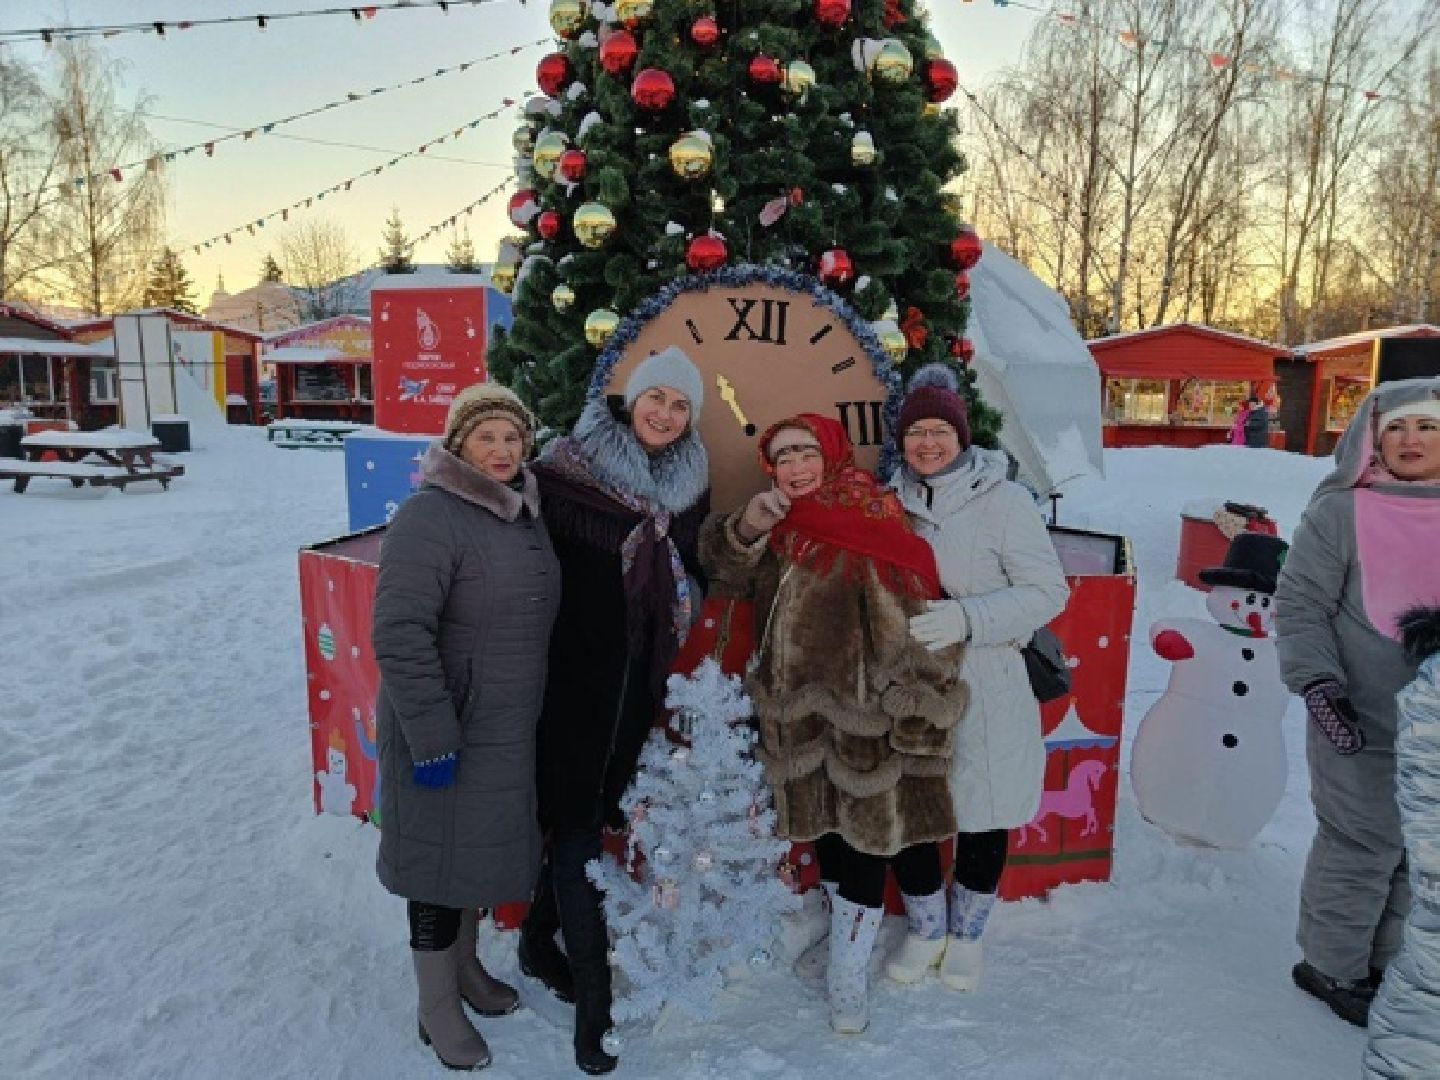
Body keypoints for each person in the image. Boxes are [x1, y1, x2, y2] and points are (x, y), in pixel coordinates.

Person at [700, 412, 965, 1035]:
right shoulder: (782, 524)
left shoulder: (869, 519)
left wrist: (913, 699)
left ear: (834, 455)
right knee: (822, 833)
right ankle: (859, 938)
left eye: (806, 453)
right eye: (783, 455)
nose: (795, 466)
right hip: (795, 715)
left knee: (866, 839)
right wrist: (747, 528)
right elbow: (728, 578)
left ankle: (849, 976)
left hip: (862, 716)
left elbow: (910, 616)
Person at [516, 347, 710, 1075]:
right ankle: (594, 1009)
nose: (664, 413)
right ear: (629, 399)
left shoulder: (686, 492)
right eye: (655, 398)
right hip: (567, 685)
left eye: (681, 405)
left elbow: (696, 573)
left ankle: (538, 942)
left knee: (595, 812)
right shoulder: (563, 476)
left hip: (634, 684)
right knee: (573, 831)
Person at [372, 383, 561, 1072]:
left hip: (505, 729)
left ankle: (468, 972)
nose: (502, 450)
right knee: (435, 865)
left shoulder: (522, 513)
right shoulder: (431, 516)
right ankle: (436, 1006)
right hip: (445, 728)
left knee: (472, 859)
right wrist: (432, 735)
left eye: (512, 438)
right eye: (487, 438)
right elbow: (398, 632)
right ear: (459, 445)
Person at [883, 364, 1070, 992]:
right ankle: (926, 928)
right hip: (909, 682)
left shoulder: (1005, 501)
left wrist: (969, 617)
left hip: (987, 677)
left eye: (939, 431)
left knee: (984, 810)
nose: (927, 444)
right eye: (915, 434)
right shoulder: (890, 501)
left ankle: (966, 936)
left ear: (962, 438)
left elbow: (1049, 591)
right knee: (909, 807)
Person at [1276, 376, 1440, 1027]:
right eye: (1395, 427)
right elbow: (1302, 606)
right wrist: (1319, 686)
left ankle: (1385, 959)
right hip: (1357, 720)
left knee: (1413, 848)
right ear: (1371, 436)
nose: (1410, 440)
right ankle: (1331, 964)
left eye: (1427, 426)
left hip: (1432, 727)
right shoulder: (1341, 512)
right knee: (1362, 844)